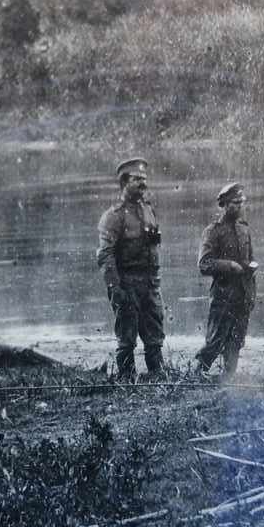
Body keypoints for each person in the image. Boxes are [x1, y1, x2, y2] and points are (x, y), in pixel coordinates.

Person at [95, 157, 165, 380]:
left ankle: (157, 376)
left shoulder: (148, 209)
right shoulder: (113, 217)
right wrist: (116, 289)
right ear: (125, 182)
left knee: (154, 334)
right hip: (127, 284)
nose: (143, 183)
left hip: (150, 283)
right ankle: (127, 380)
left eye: (144, 179)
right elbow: (105, 256)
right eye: (137, 179)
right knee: (126, 338)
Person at [194, 183, 258, 378]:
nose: (239, 207)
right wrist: (230, 266)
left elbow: (250, 259)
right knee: (215, 340)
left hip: (243, 294)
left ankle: (228, 380)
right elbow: (204, 264)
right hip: (223, 295)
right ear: (223, 204)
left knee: (236, 341)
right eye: (234, 203)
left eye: (241, 202)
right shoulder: (213, 231)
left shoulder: (244, 229)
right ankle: (196, 376)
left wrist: (252, 285)